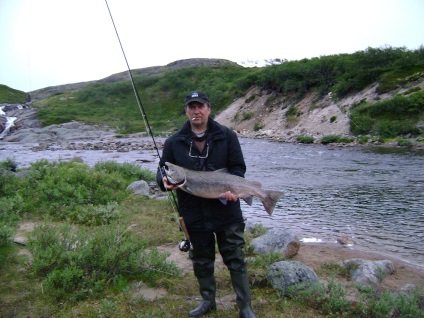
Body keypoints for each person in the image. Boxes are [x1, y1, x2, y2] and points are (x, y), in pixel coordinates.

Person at [156, 91, 257, 318]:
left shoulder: (227, 135)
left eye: (200, 106)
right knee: (201, 260)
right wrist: (162, 181)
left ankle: (245, 307)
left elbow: (238, 168)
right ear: (186, 111)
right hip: (193, 213)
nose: (196, 111)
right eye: (191, 107)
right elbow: (163, 169)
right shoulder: (174, 141)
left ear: (209, 109)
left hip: (226, 210)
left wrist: (234, 189)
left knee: (235, 258)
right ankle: (207, 302)